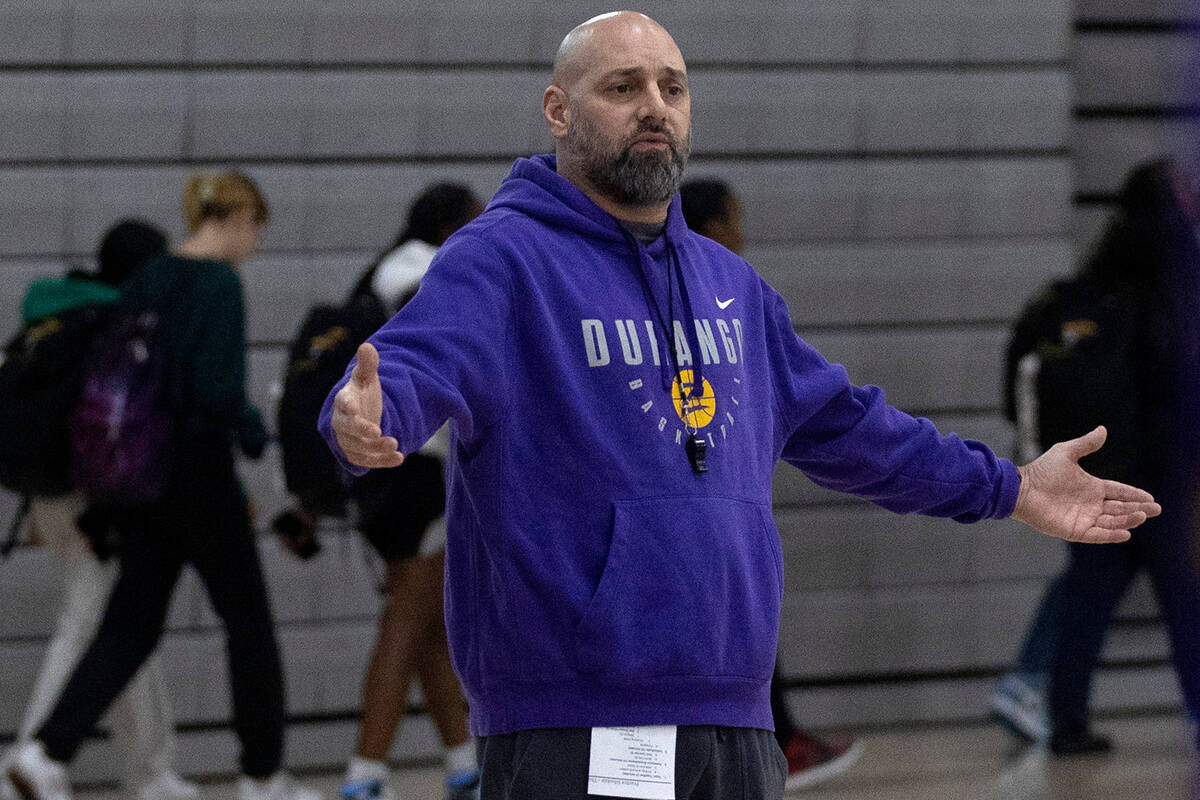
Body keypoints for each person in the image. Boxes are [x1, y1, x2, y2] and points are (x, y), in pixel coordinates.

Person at [320, 12, 1160, 798]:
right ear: (558, 110)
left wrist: (1010, 487)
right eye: (622, 88)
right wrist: (365, 418)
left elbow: (849, 427)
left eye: (672, 88)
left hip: (736, 719)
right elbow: (405, 369)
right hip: (575, 720)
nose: (654, 107)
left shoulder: (731, 285)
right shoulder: (502, 261)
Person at [7, 174, 321, 800]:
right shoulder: (218, 285)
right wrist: (260, 438)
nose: (256, 239)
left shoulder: (150, 277)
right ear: (233, 217)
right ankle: (263, 778)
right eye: (256, 223)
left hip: (141, 476)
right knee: (249, 625)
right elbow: (218, 391)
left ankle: (45, 754)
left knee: (130, 626)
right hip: (199, 474)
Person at [992, 158, 1200, 756]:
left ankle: (1067, 721)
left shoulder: (1096, 280)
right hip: (1157, 472)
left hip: (1100, 470)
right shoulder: (1167, 281)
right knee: (1184, 597)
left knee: (1089, 596)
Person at [0, 221, 198, 800]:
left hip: (51, 491)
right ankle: (28, 763)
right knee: (88, 623)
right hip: (98, 498)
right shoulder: (118, 321)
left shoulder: (53, 313)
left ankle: (149, 769)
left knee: (127, 626)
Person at [679, 178, 861, 791]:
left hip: (725, 519)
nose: (743, 232)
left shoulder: (743, 302)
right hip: (679, 530)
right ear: (710, 228)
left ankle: (780, 738)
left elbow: (837, 419)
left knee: (746, 605)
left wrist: (1006, 489)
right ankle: (783, 739)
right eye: (735, 219)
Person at [333, 183, 484, 800]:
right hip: (413, 472)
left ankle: (464, 768)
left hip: (392, 475)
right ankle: (363, 778)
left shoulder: (384, 269)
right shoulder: (422, 272)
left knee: (429, 628)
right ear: (453, 225)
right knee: (407, 620)